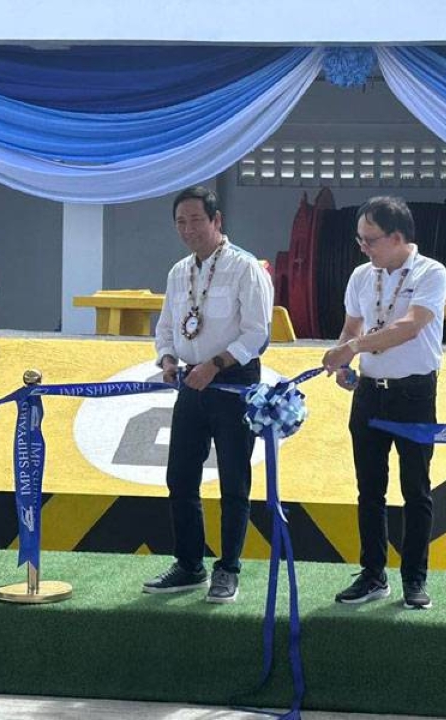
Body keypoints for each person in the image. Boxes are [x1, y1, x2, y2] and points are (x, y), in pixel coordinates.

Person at [143, 186, 273, 604]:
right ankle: (189, 564)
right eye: (180, 222)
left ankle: (228, 569)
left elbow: (258, 333)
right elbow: (165, 327)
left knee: (234, 481)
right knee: (180, 477)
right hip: (189, 385)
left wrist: (214, 365)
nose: (188, 229)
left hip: (233, 383)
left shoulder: (245, 267)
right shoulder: (179, 271)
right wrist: (166, 359)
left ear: (218, 221)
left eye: (196, 220)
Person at [321, 196, 446, 610]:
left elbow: (410, 327)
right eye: (360, 240)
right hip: (370, 393)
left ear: (398, 237)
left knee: (416, 490)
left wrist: (353, 347)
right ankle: (373, 575)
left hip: (414, 393)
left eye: (371, 240)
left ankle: (415, 578)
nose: (364, 248)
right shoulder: (362, 275)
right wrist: (343, 360)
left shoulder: (431, 272)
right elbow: (350, 326)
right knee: (369, 489)